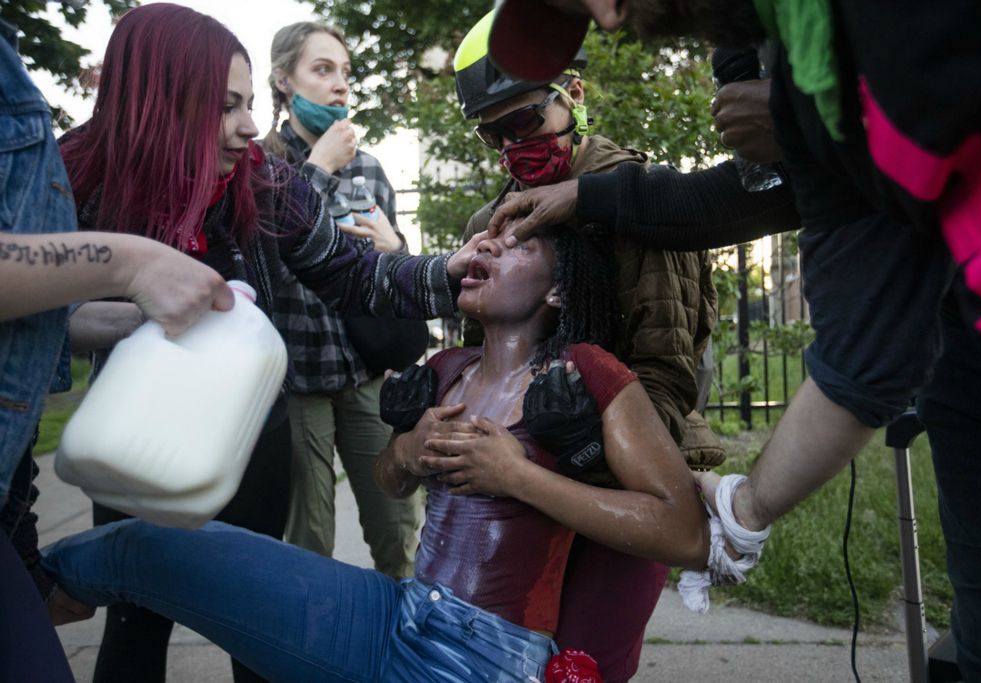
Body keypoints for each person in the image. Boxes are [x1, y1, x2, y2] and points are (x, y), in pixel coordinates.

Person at [485, 1, 981, 679]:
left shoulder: (855, 48)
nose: (612, 20)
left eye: (524, 120)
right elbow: (861, 341)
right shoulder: (785, 58)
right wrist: (744, 509)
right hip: (980, 352)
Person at [41, 224, 712, 682]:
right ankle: (36, 588)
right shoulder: (447, 367)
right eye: (485, 236)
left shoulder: (584, 372)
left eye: (518, 244)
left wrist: (518, 476)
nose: (488, 246)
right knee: (144, 545)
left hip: (484, 659)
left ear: (559, 289)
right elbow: (385, 481)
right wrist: (408, 451)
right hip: (397, 613)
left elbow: (681, 530)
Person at [54, 5, 478, 682]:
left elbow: (354, 272)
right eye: (226, 106)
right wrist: (127, 313)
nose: (250, 126)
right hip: (135, 436)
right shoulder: (65, 179)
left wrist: (449, 272)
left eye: (249, 103)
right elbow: (34, 319)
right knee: (133, 620)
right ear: (158, 99)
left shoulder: (263, 181)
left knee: (258, 628)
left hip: (253, 434)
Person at [442, 11, 796, 680]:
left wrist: (584, 448)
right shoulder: (486, 223)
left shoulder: (642, 198)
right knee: (498, 656)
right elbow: (475, 361)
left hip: (628, 480)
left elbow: (667, 373)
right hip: (518, 481)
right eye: (493, 133)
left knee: (584, 663)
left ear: (570, 95)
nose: (512, 145)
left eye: (522, 121)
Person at [0, 14, 235, 683]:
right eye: (226, 105)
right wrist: (126, 263)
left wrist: (99, 318)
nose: (247, 128)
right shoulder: (81, 163)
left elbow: (25, 319)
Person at [260, 21, 421, 576]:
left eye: (345, 73)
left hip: (365, 370)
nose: (340, 86)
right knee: (307, 539)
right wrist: (318, 169)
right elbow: (270, 260)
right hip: (298, 375)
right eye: (322, 69)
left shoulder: (370, 169)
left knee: (399, 528)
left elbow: (395, 273)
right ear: (284, 80)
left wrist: (396, 247)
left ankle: (402, 646)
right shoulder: (261, 165)